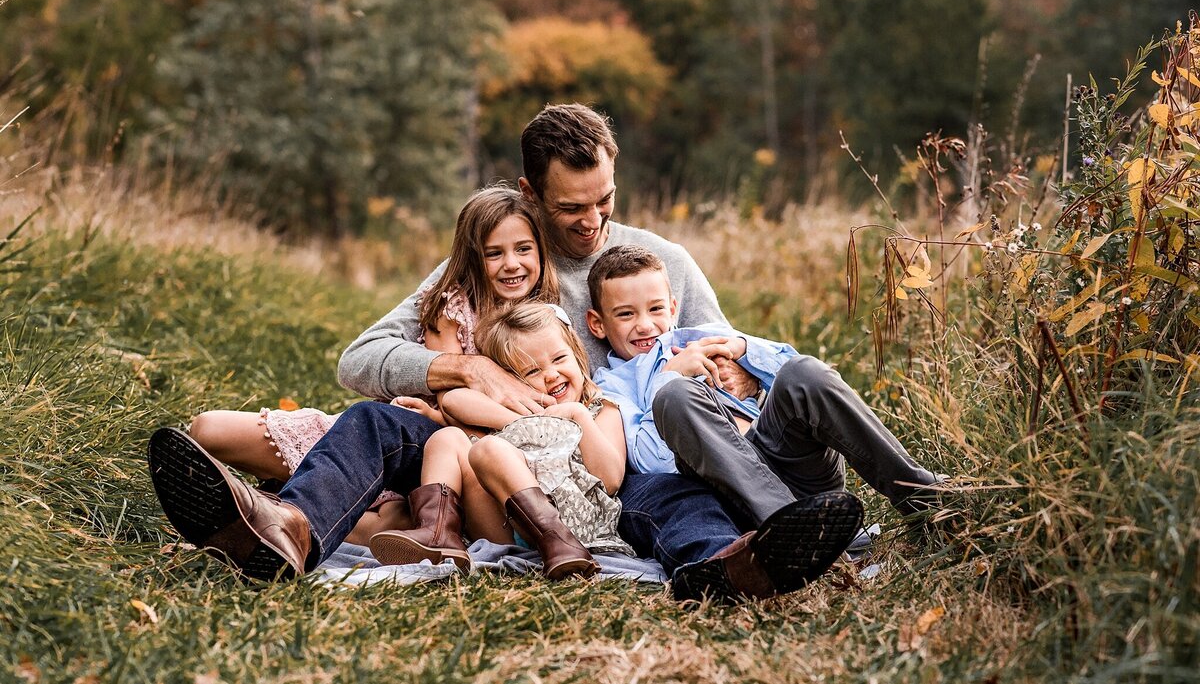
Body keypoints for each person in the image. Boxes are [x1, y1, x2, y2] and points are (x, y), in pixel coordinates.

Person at [147, 103, 863, 603]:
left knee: (675, 492)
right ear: (529, 191)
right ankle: (289, 530)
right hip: (478, 437)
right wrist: (465, 366)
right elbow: (362, 354)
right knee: (369, 423)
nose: (592, 223)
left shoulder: (660, 262)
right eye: (571, 208)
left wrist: (724, 372)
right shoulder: (499, 252)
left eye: (604, 201)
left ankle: (727, 566)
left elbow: (718, 369)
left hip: (606, 448)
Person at [180, 185, 556, 543]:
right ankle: (272, 499)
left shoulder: (548, 320)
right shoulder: (453, 308)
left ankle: (266, 510)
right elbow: (448, 400)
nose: (511, 264)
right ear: (474, 257)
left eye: (523, 249)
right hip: (396, 432)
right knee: (207, 429)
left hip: (447, 459)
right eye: (494, 253)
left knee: (398, 522)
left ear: (540, 250)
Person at [585, 245, 943, 526]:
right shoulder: (611, 387)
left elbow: (803, 377)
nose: (645, 325)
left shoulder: (701, 337)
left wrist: (744, 351)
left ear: (674, 308)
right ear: (598, 324)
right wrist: (669, 378)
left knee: (802, 370)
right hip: (734, 492)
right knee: (676, 397)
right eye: (626, 314)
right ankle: (795, 529)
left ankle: (923, 496)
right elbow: (651, 462)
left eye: (656, 309)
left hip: (790, 463)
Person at [369, 303, 629, 580]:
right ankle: (438, 535)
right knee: (447, 438)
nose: (550, 374)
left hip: (578, 529)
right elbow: (457, 400)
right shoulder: (521, 413)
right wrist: (532, 417)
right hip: (507, 527)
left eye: (559, 359)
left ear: (577, 356)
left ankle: (559, 542)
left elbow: (611, 479)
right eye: (531, 372)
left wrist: (577, 415)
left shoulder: (598, 408)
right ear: (513, 382)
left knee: (489, 448)